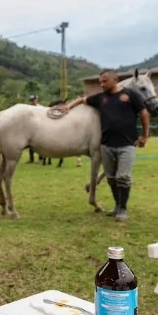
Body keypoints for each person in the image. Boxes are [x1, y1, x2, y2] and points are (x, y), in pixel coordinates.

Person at [63, 70, 150, 221]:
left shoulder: (131, 95)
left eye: (105, 81)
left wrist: (144, 136)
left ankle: (123, 209)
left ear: (115, 80)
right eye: (100, 82)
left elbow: (144, 114)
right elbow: (82, 100)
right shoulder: (100, 97)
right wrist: (68, 107)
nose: (102, 84)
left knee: (123, 177)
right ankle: (117, 206)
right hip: (107, 145)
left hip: (127, 144)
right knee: (111, 178)